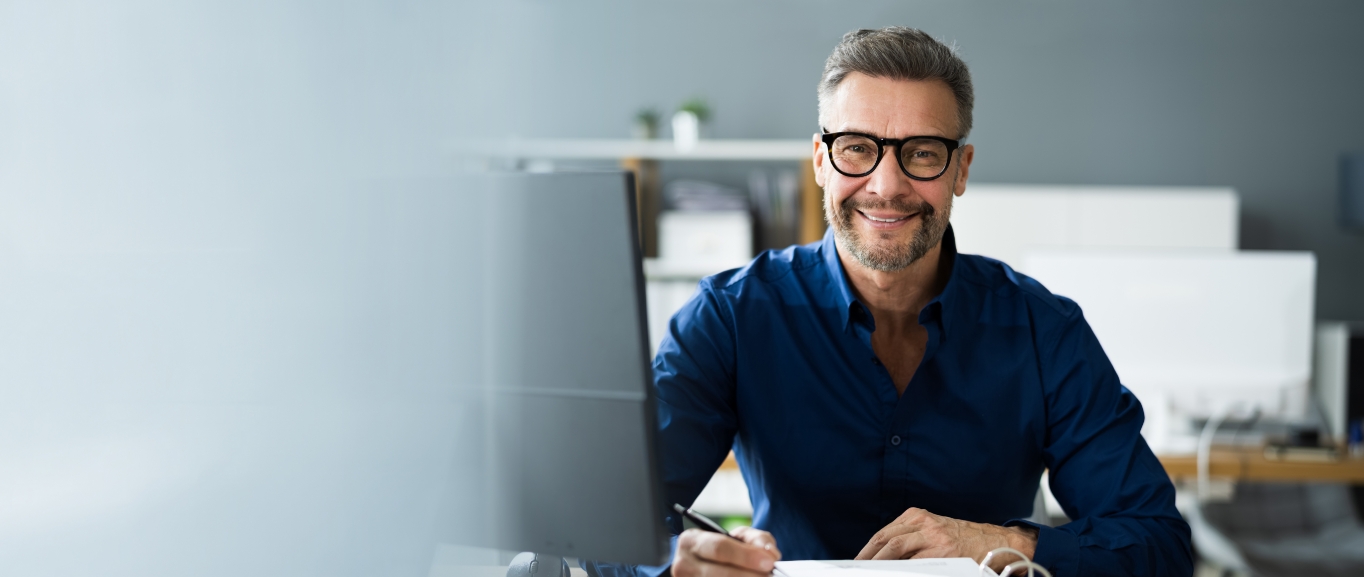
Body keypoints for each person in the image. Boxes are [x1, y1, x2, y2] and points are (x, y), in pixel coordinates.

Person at [595, 27, 1192, 577]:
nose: (886, 185)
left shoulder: (1044, 329)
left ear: (961, 168)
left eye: (923, 152)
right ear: (821, 160)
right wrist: (678, 561)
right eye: (857, 148)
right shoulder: (730, 316)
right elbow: (610, 531)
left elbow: (1158, 545)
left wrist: (1000, 544)